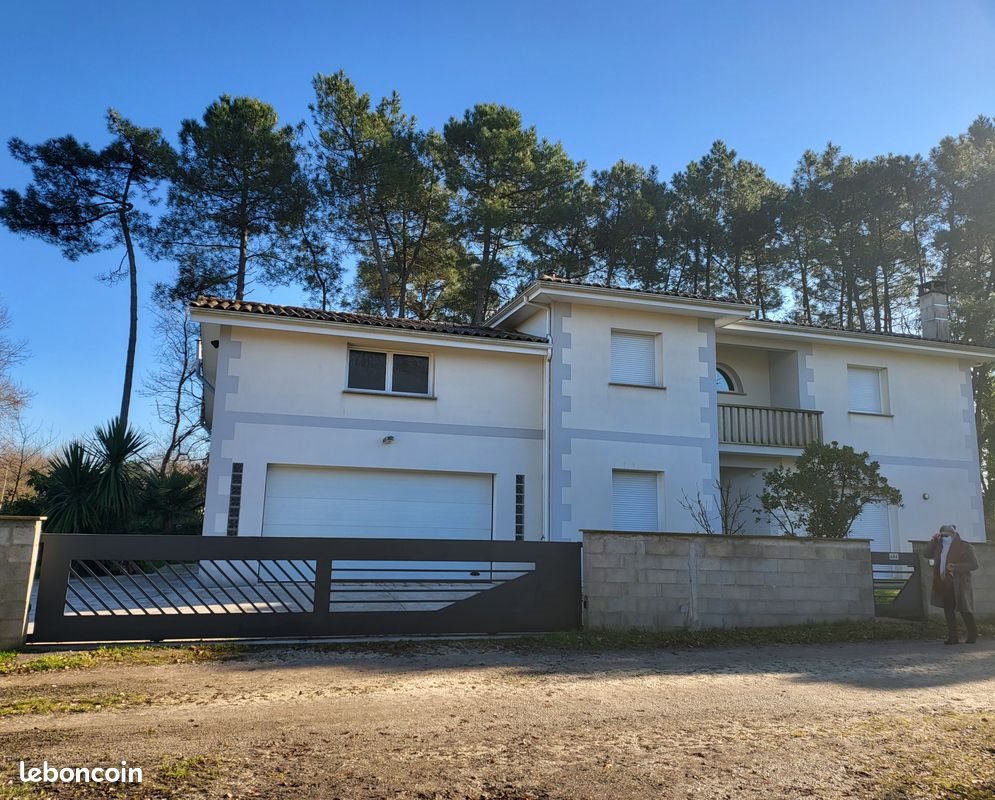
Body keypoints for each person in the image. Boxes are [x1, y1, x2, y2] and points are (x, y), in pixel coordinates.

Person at [925, 524, 979, 645]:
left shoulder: (965, 546)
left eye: (946, 536)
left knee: (965, 610)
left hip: (960, 584)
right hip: (944, 582)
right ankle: (953, 637)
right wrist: (933, 540)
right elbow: (926, 554)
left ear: (953, 534)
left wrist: (956, 567)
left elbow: (974, 565)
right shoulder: (938, 546)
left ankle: (972, 634)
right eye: (942, 536)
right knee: (948, 611)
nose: (944, 538)